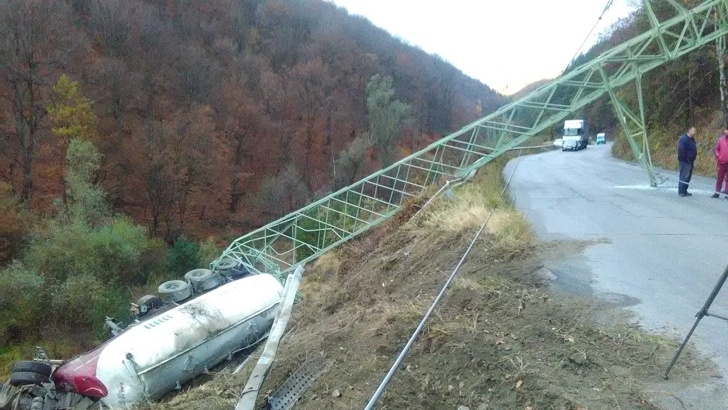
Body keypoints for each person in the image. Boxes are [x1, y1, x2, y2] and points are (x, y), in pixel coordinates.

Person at [677, 126, 697, 197]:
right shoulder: (684, 139)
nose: (695, 132)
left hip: (691, 161)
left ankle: (685, 190)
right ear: (689, 130)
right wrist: (686, 159)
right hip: (685, 161)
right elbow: (681, 150)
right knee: (684, 175)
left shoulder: (692, 139)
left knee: (688, 177)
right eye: (693, 130)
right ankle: (681, 191)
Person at [714, 127, 728, 198]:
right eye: (726, 130)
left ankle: (727, 192)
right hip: (721, 162)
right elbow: (716, 149)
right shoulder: (721, 140)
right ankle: (717, 192)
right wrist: (718, 156)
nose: (726, 131)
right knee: (720, 178)